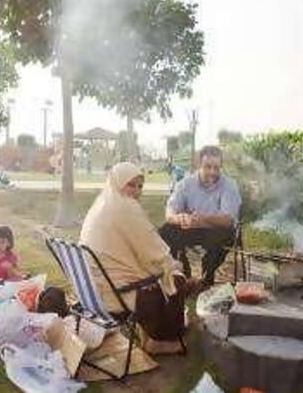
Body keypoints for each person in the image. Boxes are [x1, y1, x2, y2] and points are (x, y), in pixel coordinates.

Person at [80, 162, 187, 355]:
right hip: (115, 295)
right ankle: (161, 340)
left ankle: (149, 331)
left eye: (140, 186)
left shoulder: (103, 202)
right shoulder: (125, 207)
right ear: (117, 182)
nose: (136, 191)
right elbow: (153, 250)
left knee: (162, 272)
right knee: (177, 279)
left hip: (93, 291)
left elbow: (134, 247)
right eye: (131, 185)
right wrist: (173, 266)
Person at [159, 145, 241, 287]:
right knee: (166, 230)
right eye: (208, 167)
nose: (212, 172)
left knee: (226, 234)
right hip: (191, 227)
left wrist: (202, 219)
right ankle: (183, 274)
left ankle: (206, 276)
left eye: (216, 167)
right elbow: (169, 212)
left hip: (217, 229)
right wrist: (180, 218)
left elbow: (228, 220)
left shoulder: (229, 185)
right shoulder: (185, 184)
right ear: (199, 165)